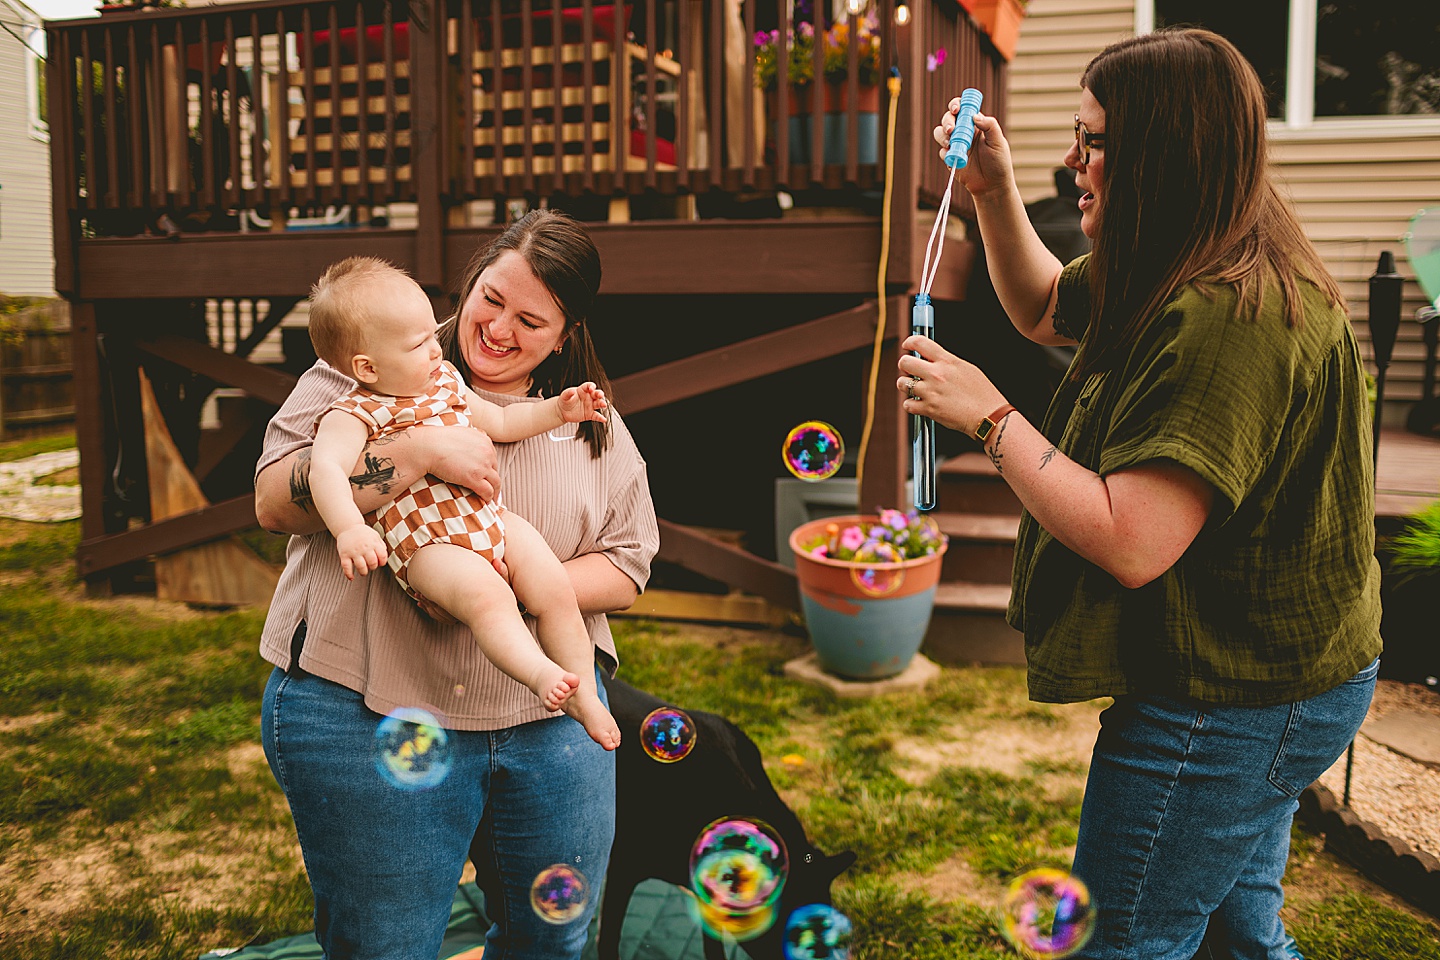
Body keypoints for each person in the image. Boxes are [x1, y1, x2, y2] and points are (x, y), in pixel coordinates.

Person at [907, 29, 1381, 960]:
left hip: (1236, 696)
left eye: (1093, 143)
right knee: (1237, 934)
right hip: (1280, 672)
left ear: (1160, 152)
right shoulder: (1178, 244)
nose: (1071, 162)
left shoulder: (1227, 316)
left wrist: (990, 420)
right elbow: (1044, 307)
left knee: (1118, 940)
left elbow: (1133, 539)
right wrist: (994, 193)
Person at [254, 209, 659, 960]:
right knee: (387, 947)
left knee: (552, 943)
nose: (499, 328)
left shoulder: (586, 420)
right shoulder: (365, 362)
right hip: (366, 707)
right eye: (491, 298)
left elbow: (628, 565)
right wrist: (418, 452)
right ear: (469, 282)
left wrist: (499, 584)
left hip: (548, 726)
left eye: (531, 319)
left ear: (565, 334)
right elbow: (277, 502)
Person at [305, 256, 620, 749]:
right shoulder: (353, 412)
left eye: (433, 335)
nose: (436, 348)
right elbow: (324, 472)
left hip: (489, 519)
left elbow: (502, 424)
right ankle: (540, 675)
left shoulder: (445, 382)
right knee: (488, 598)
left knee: (553, 584)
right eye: (418, 344)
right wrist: (349, 528)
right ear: (367, 366)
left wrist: (559, 411)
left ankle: (583, 691)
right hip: (428, 545)